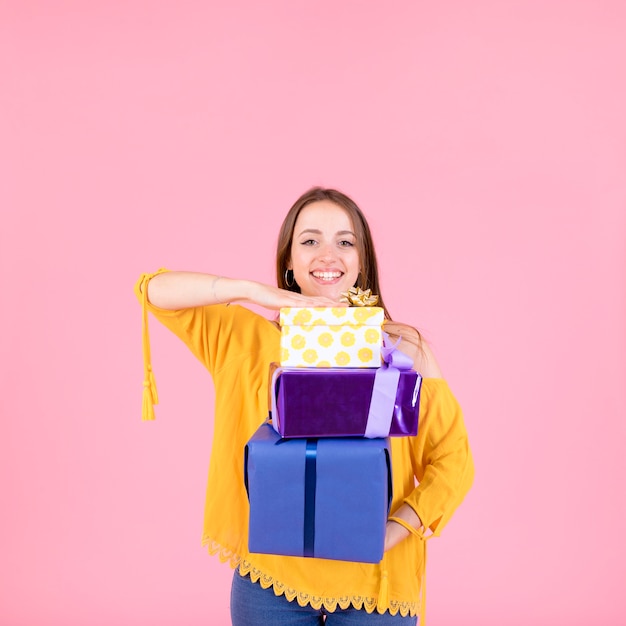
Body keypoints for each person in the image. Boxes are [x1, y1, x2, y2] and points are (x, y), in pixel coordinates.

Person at [135, 187, 474, 625]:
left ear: (361, 261)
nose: (328, 254)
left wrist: (394, 532)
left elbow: (453, 460)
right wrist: (258, 293)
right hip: (270, 584)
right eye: (310, 240)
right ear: (289, 262)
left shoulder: (401, 349)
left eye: (345, 242)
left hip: (377, 586)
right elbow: (153, 289)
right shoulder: (246, 340)